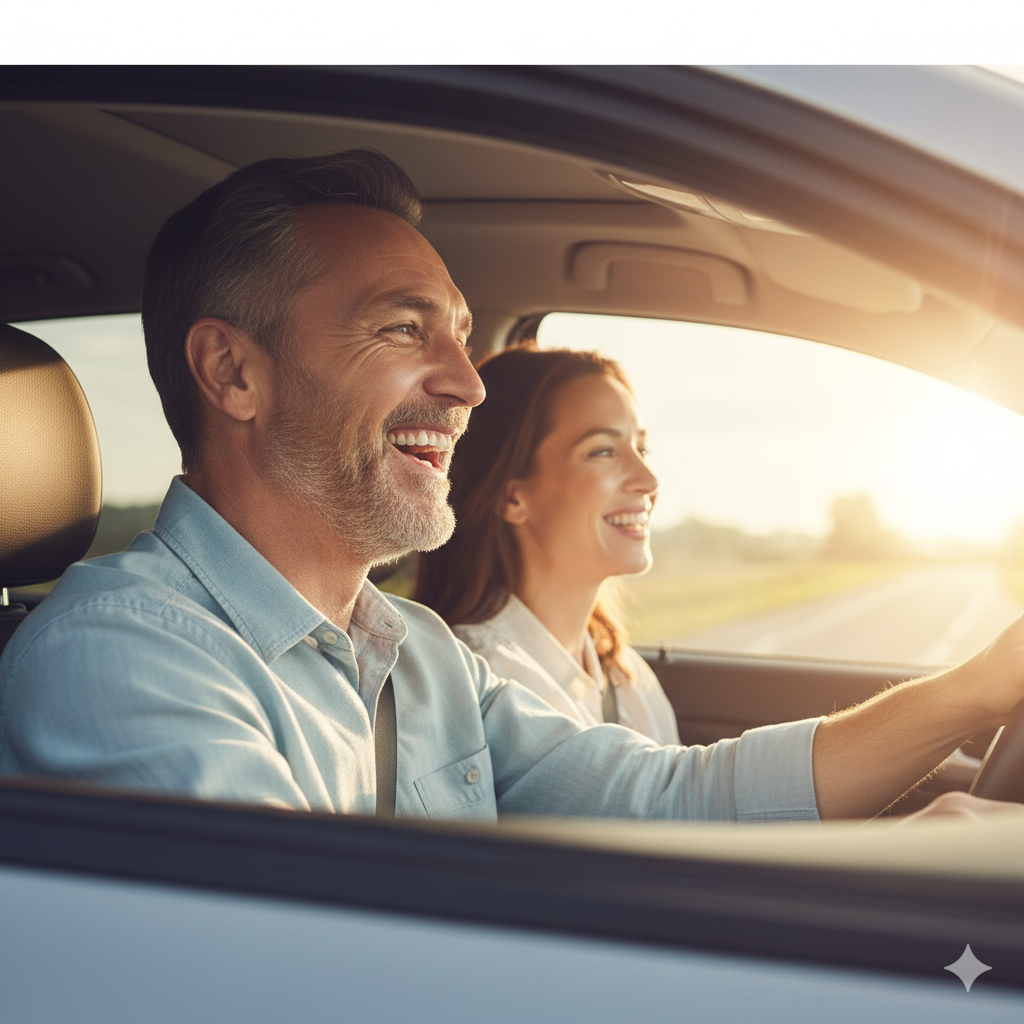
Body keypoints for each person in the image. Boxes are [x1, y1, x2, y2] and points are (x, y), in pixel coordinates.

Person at [1, 149, 1021, 824]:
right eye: (405, 329)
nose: (468, 382)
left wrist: (976, 691)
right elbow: (314, 975)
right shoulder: (124, 659)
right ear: (232, 373)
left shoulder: (425, 657)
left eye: (459, 333)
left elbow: (671, 801)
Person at [415, 346, 679, 744]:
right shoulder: (479, 684)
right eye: (603, 451)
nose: (648, 480)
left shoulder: (623, 672)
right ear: (511, 497)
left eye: (640, 449)